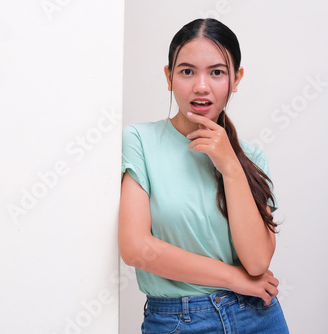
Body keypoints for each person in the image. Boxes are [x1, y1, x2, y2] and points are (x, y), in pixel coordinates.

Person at [118, 18, 289, 333]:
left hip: (258, 318)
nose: (201, 86)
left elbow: (257, 263)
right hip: (178, 321)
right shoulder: (140, 141)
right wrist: (234, 278)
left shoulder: (251, 158)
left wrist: (230, 167)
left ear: (236, 79)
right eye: (187, 71)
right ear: (169, 77)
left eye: (217, 72)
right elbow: (136, 248)